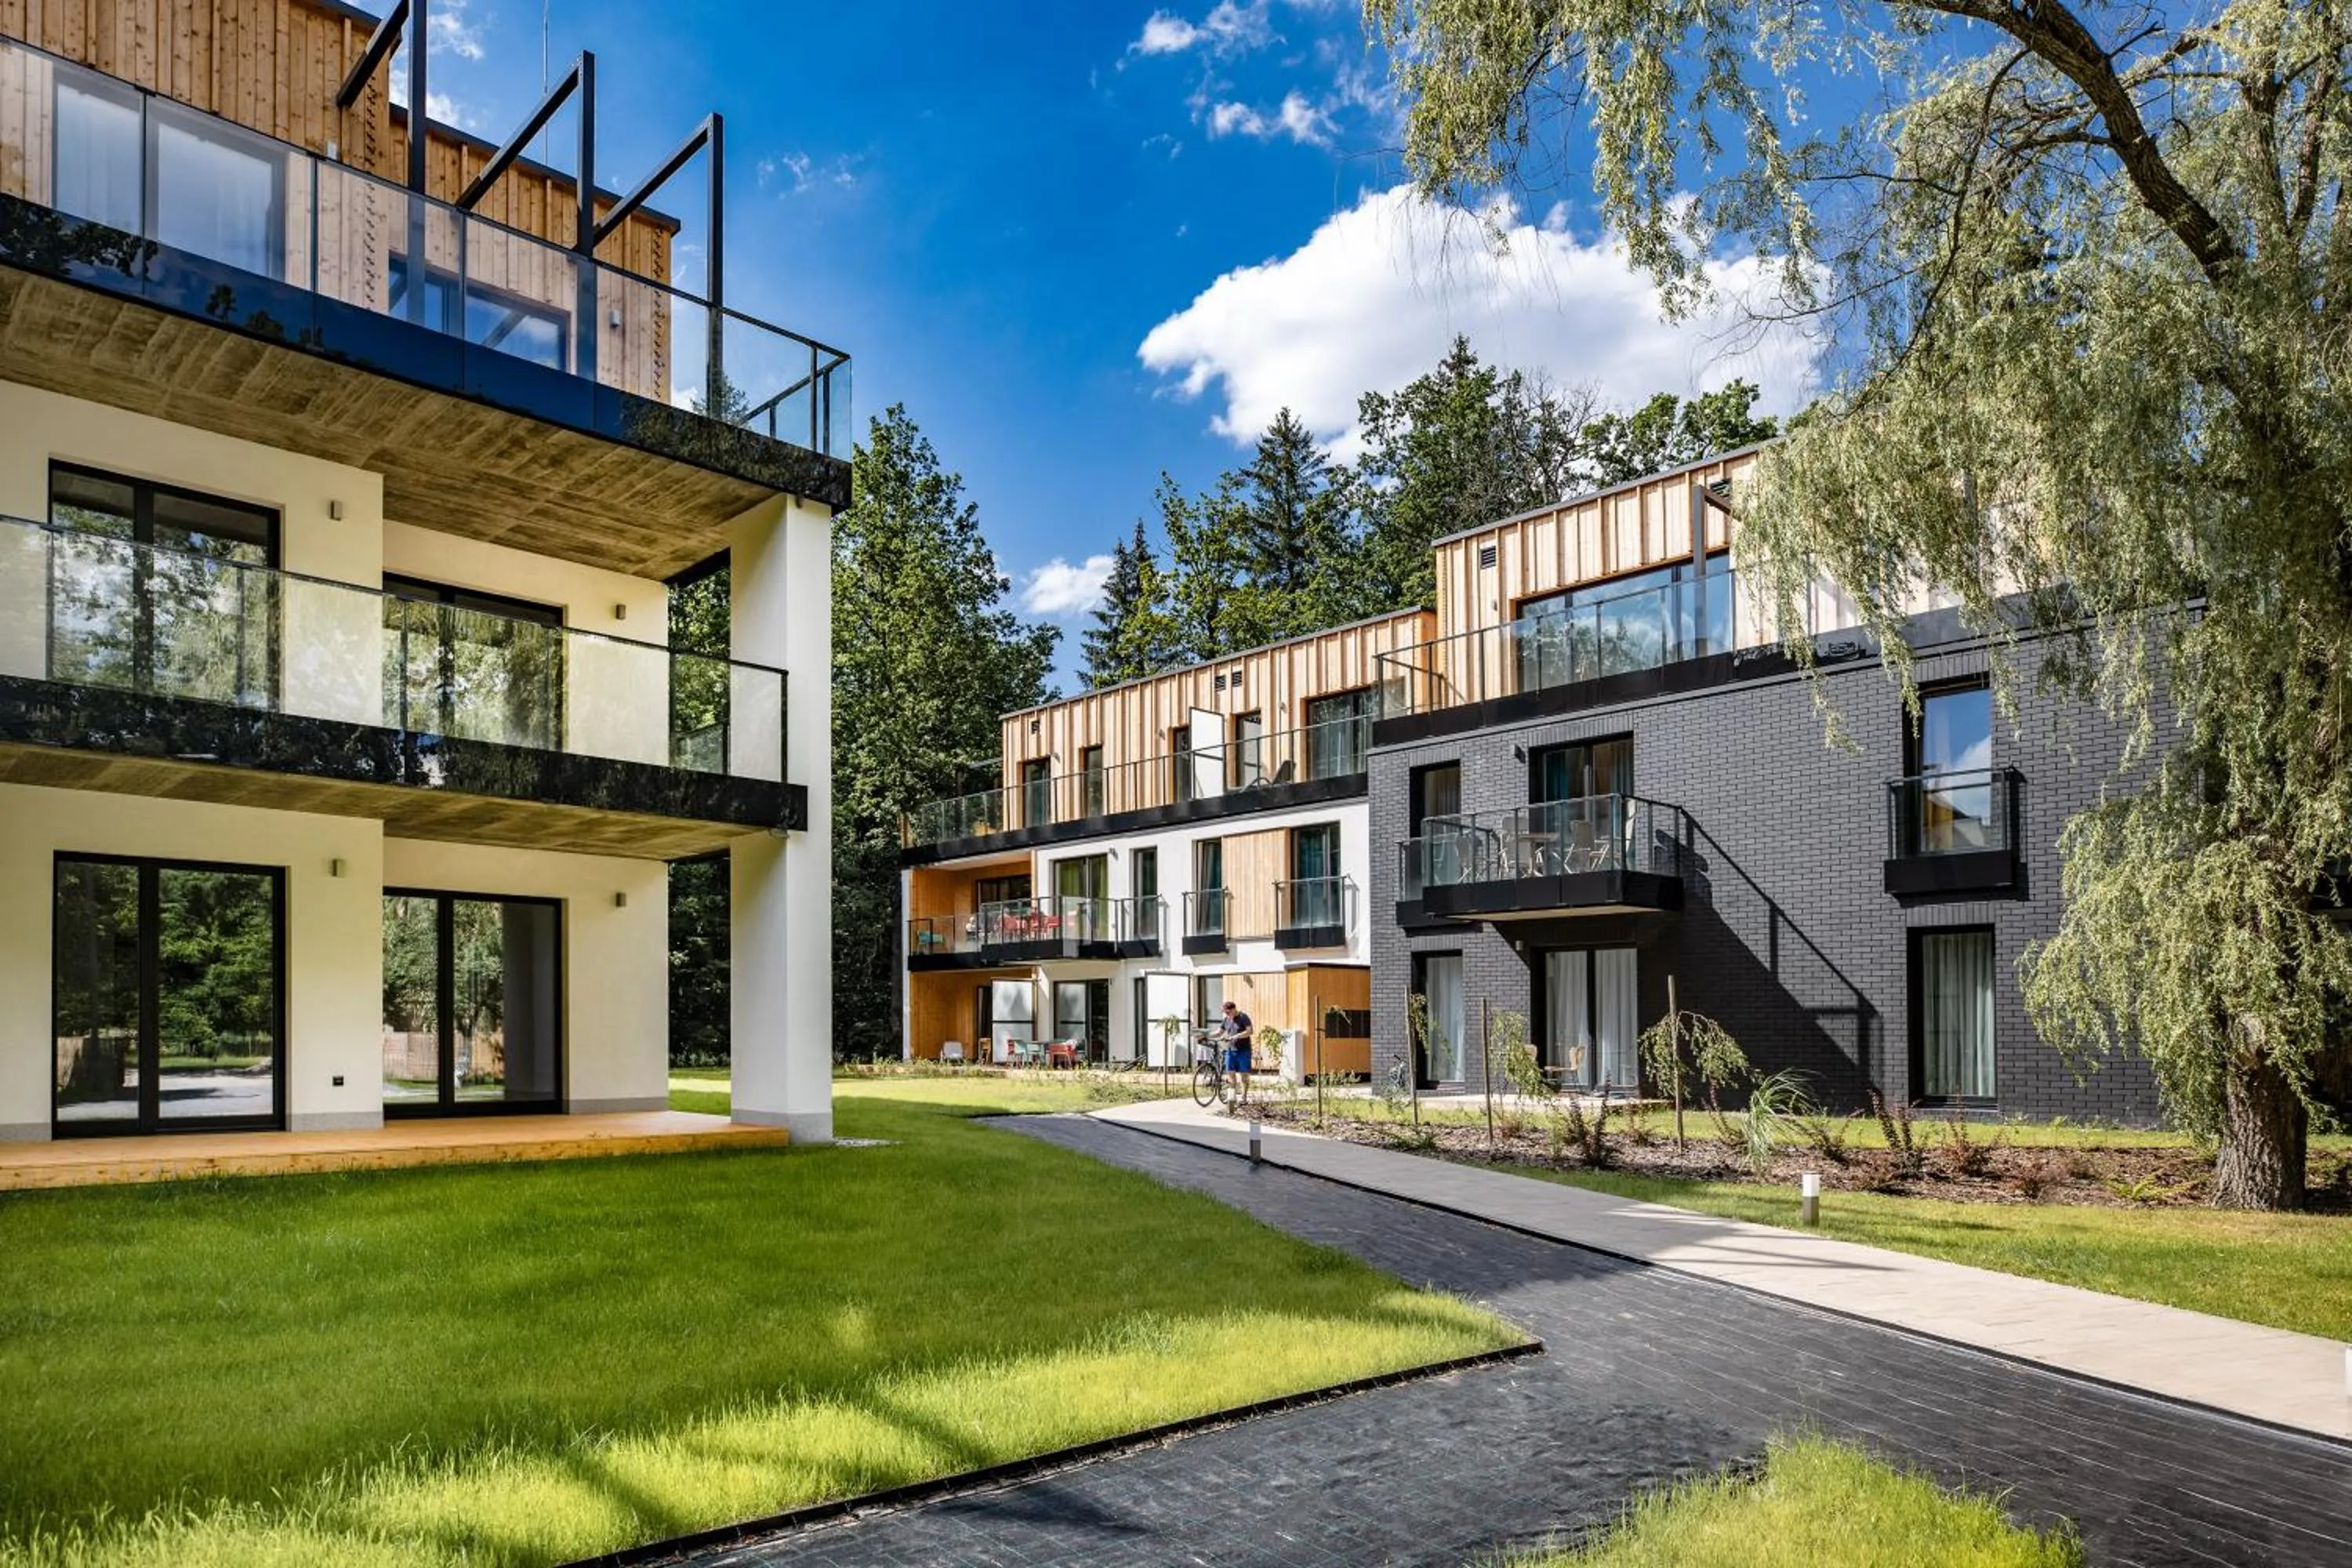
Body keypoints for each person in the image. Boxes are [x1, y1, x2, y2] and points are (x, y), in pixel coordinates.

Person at [1218, 999, 1254, 1091]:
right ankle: (1232, 1095)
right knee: (1230, 1072)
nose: (1227, 1014)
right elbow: (1219, 1032)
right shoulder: (1226, 1019)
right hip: (1231, 1049)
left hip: (1244, 1050)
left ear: (1234, 1009)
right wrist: (1206, 1035)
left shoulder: (1243, 1017)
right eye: (1225, 1013)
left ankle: (1244, 1096)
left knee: (1244, 1075)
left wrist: (1236, 1036)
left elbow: (1250, 1031)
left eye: (1228, 1012)